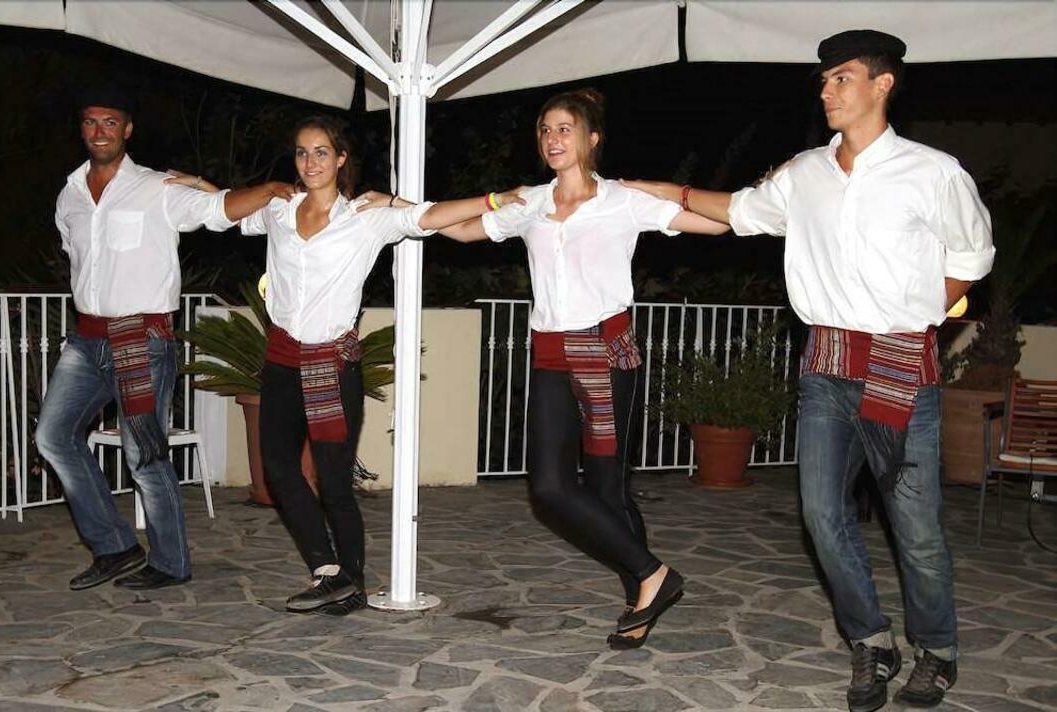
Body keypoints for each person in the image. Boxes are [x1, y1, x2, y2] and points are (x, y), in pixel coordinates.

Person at [624, 30, 994, 710]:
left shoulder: (933, 172)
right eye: (823, 80)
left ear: (882, 84)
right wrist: (656, 190)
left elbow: (972, 256)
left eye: (841, 77)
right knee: (823, 516)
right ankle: (870, 641)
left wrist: (915, 316)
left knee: (914, 527)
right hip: (826, 365)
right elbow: (738, 212)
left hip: (899, 365)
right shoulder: (804, 173)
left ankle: (936, 650)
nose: (826, 90)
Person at [360, 89, 728, 646]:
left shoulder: (623, 200)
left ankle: (641, 595)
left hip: (605, 353)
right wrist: (396, 203)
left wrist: (663, 189)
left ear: (592, 138)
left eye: (564, 129)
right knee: (550, 488)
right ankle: (655, 576)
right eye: (545, 130)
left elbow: (718, 225)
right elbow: (461, 229)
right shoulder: (530, 202)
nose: (552, 139)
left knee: (607, 492)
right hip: (550, 355)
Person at [177, 115, 526, 613]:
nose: (310, 161)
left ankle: (352, 580)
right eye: (302, 152)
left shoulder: (364, 217)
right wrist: (198, 184)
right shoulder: (279, 210)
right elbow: (230, 210)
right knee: (279, 469)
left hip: (330, 364)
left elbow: (430, 216)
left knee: (334, 480)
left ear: (341, 159)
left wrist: (494, 200)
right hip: (281, 358)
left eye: (321, 152)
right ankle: (326, 569)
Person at [37, 87, 295, 591]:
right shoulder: (70, 194)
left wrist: (267, 190)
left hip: (142, 340)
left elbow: (219, 210)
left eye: (110, 122)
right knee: (53, 437)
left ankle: (170, 561)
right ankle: (115, 547)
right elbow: (78, 260)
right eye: (90, 122)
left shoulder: (157, 188)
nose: (99, 131)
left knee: (145, 454)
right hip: (87, 341)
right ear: (81, 128)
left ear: (127, 129)